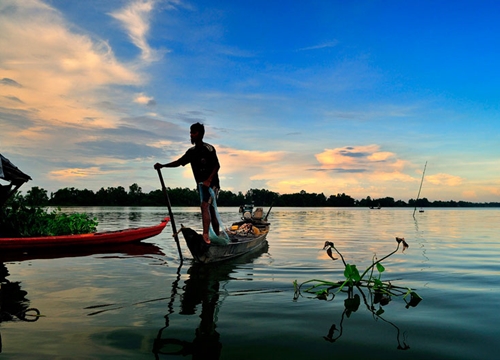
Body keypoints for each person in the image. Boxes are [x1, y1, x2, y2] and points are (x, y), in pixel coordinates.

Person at [154, 123, 220, 244]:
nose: (191, 135)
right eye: (190, 133)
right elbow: (179, 162)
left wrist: (209, 180)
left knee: (205, 207)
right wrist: (163, 166)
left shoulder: (208, 149)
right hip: (201, 186)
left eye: (193, 133)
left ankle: (206, 235)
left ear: (199, 134)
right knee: (209, 210)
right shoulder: (191, 152)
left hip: (212, 184)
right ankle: (216, 236)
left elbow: (217, 165)